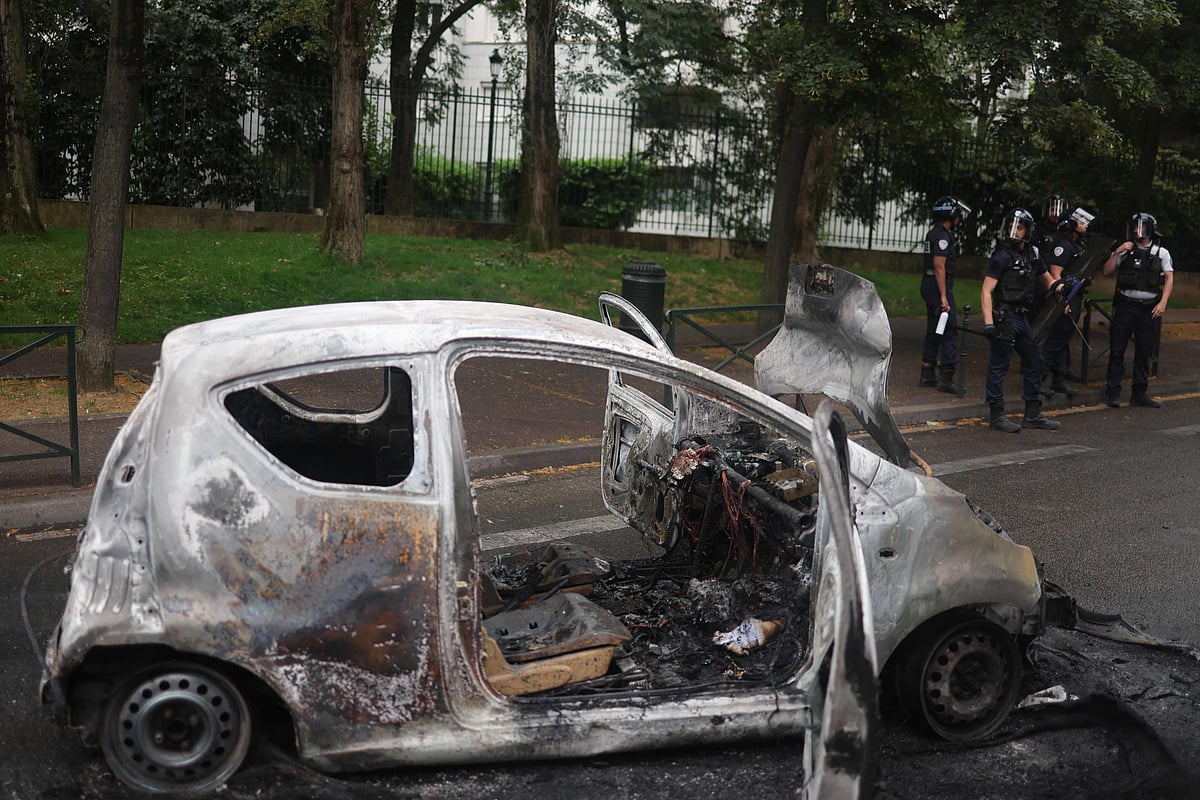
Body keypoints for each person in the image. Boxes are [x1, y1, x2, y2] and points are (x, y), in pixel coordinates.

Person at [981, 208, 1069, 433]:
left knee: (1035, 361)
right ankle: (997, 415)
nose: (1014, 231)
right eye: (1011, 226)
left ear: (1028, 230)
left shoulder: (1033, 254)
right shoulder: (1002, 256)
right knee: (999, 365)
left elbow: (1048, 280)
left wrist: (1064, 288)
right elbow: (986, 290)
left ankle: (1032, 414)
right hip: (1005, 317)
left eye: (1018, 227)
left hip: (1022, 317)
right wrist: (989, 323)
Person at [1101, 212, 1174, 408]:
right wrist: (1117, 252)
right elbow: (1107, 271)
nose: (1136, 230)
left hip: (1148, 310)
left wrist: (1163, 303)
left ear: (1150, 229)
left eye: (1141, 226)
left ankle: (1139, 393)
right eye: (1134, 226)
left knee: (1144, 351)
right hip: (1125, 307)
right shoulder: (1126, 250)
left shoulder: (1161, 253)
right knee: (1117, 350)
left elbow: (1169, 278)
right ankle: (1113, 392)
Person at [919, 195, 970, 393]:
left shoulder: (934, 233)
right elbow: (939, 266)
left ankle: (928, 372)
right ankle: (946, 377)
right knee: (949, 329)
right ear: (952, 215)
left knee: (935, 327)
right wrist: (943, 296)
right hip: (938, 284)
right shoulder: (942, 236)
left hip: (929, 283)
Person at [1042, 207, 1095, 397]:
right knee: (1055, 340)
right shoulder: (1063, 246)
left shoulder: (1078, 245)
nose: (1086, 225)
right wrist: (1061, 300)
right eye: (1081, 222)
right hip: (1065, 298)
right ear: (1071, 224)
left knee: (1064, 340)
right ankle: (1039, 379)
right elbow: (1055, 274)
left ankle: (1059, 379)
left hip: (1075, 296)